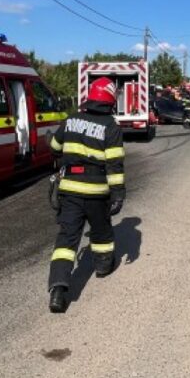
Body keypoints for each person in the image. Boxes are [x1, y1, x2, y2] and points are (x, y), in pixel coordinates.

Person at [46, 77, 126, 314]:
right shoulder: (111, 126)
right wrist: (118, 194)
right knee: (101, 232)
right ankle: (102, 267)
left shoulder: (71, 120)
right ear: (110, 100)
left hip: (70, 190)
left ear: (90, 97)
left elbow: (54, 147)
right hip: (97, 192)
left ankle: (58, 289)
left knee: (66, 240)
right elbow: (114, 164)